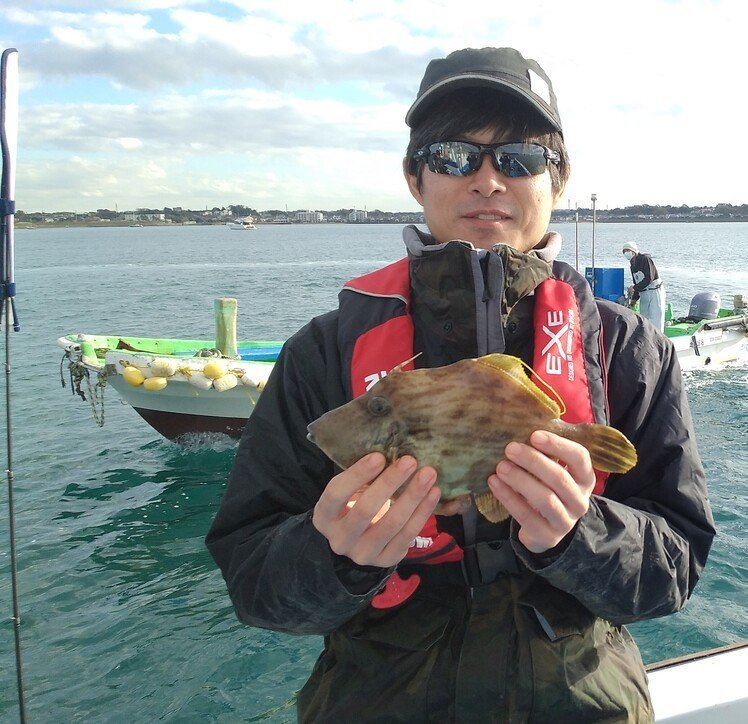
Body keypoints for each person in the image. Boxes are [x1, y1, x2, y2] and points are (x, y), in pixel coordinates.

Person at [205, 47, 714, 723]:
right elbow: (253, 583)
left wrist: (580, 535)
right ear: (415, 177)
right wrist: (333, 559)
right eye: (453, 157)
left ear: (558, 180)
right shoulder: (321, 353)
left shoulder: (628, 349)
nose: (488, 180)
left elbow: (674, 570)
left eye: (520, 158)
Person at [623, 240, 666, 330]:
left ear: (633, 251)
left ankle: (658, 337)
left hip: (654, 291)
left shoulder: (645, 259)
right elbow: (637, 283)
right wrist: (634, 299)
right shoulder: (632, 266)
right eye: (624, 252)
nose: (626, 253)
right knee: (644, 320)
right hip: (643, 294)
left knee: (656, 319)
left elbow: (649, 278)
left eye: (627, 251)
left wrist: (634, 288)